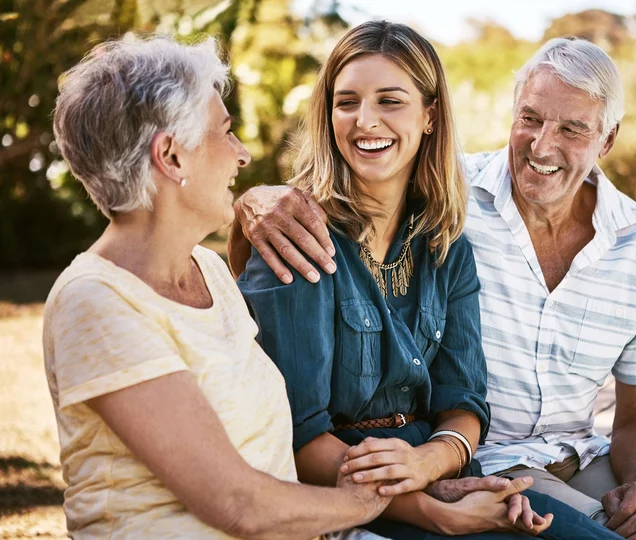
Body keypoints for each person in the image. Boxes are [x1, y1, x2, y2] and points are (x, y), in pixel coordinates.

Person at [228, 35, 636, 540]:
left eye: (572, 129)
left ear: (607, 140)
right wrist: (250, 201)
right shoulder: (448, 202)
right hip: (482, 461)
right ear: (512, 114)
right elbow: (298, 430)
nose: (543, 145)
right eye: (531, 119)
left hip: (569, 456)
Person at [43, 33, 394, 540]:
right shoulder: (94, 301)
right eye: (224, 132)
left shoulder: (208, 271)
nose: (242, 154)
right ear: (172, 156)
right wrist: (363, 502)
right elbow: (238, 504)